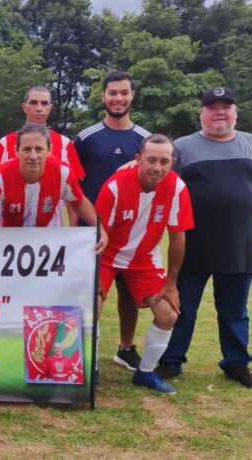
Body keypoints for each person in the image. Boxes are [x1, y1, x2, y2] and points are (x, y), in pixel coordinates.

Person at [156, 87, 252, 389]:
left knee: (235, 312)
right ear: (201, 114)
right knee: (181, 307)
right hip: (189, 245)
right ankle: (171, 361)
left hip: (237, 245)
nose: (220, 113)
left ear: (235, 112)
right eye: (212, 108)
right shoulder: (182, 148)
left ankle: (237, 365)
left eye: (226, 107)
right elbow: (159, 178)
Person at [95, 134, 193, 394]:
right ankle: (89, 368)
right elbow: (96, 233)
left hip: (144, 260)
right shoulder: (115, 186)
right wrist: (93, 278)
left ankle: (146, 373)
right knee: (90, 306)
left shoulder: (177, 187)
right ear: (138, 159)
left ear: (172, 162)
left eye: (164, 161)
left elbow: (178, 237)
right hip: (106, 256)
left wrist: (171, 285)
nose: (157, 167)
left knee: (168, 313)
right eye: (151, 160)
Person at [73, 70, 152, 372]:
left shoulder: (145, 140)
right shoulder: (86, 138)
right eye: (112, 93)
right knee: (91, 291)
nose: (118, 98)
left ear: (132, 95)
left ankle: (126, 348)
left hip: (132, 230)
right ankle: (87, 350)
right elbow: (74, 186)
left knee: (128, 292)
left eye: (124, 93)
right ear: (103, 96)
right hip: (94, 230)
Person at [0, 123, 105, 245]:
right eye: (27, 149)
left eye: (39, 149)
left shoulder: (62, 173)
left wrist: (100, 229)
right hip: (9, 242)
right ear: (16, 151)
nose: (33, 156)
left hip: (47, 241)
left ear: (49, 150)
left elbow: (79, 202)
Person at [0, 85, 85, 225]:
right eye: (33, 102)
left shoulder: (65, 144)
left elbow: (74, 198)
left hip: (49, 235)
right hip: (8, 236)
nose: (39, 108)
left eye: (44, 103)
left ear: (50, 108)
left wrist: (73, 234)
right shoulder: (5, 143)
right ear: (25, 107)